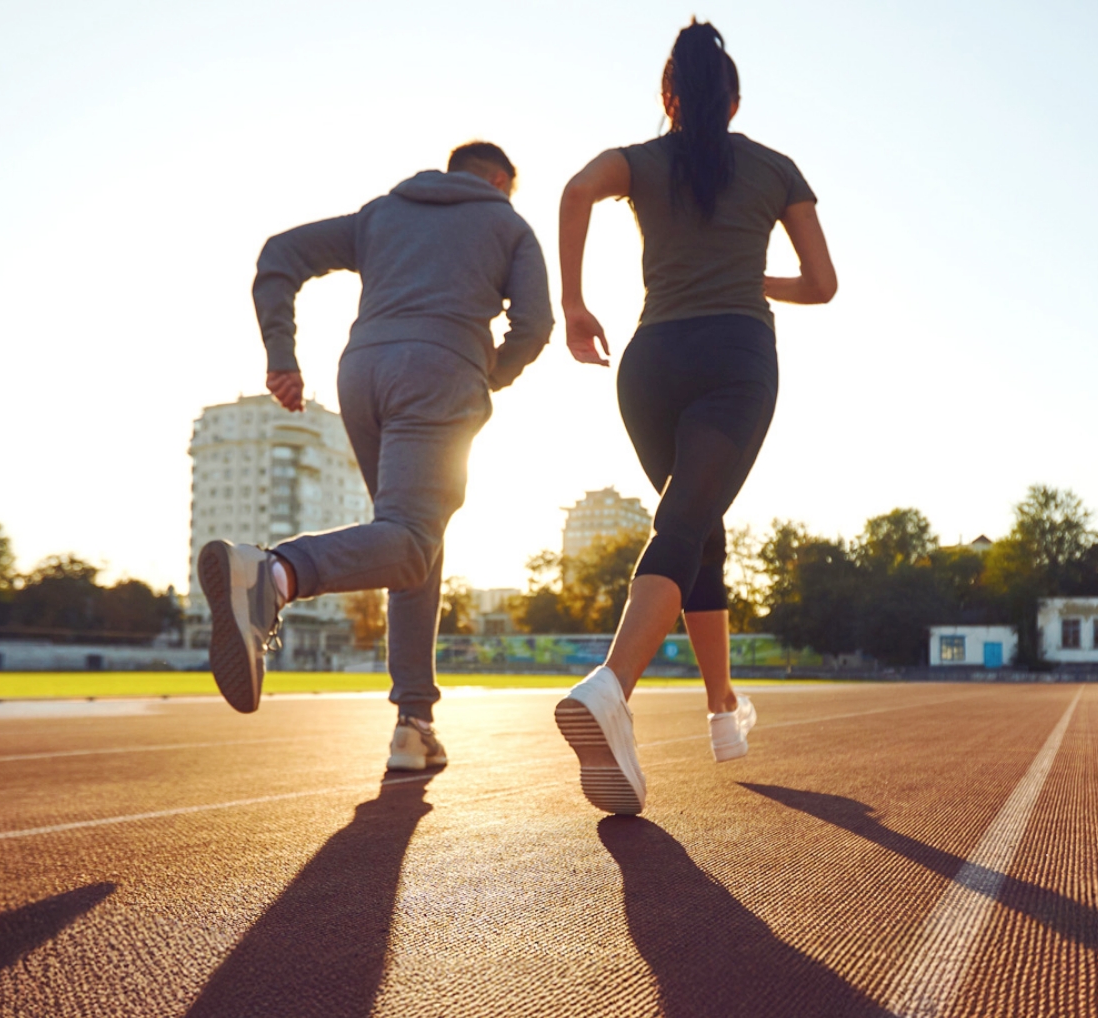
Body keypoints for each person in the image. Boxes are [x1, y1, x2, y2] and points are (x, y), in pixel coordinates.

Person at [553, 20, 837, 815]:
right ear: (735, 100)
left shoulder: (639, 161)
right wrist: (750, 276)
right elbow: (822, 284)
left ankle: (721, 708)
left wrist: (574, 306)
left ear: (668, 96)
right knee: (684, 525)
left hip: (651, 364)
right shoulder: (776, 169)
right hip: (733, 357)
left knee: (696, 525)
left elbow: (574, 190)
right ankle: (612, 687)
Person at [199, 141, 552, 772]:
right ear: (500, 180)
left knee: (411, 544)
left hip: (362, 373)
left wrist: (281, 354)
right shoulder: (509, 224)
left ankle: (414, 723)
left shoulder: (382, 213)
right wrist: (489, 372)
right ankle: (273, 574)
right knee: (410, 541)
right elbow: (534, 324)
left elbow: (280, 254)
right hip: (440, 371)